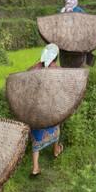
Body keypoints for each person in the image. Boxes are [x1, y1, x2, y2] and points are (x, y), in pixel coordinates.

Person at [27, 44, 64, 177]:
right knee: (56, 126)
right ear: (56, 56)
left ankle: (35, 167)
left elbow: (24, 82)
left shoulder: (34, 68)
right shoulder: (58, 70)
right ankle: (56, 150)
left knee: (37, 134)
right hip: (51, 107)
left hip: (36, 108)